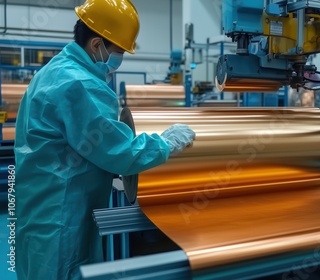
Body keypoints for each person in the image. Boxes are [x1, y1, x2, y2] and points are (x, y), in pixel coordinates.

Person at [14, 0, 195, 279]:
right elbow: (121, 151)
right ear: (97, 44)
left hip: (42, 205)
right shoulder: (79, 84)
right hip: (62, 213)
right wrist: (166, 142)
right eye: (118, 51)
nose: (118, 59)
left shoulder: (55, 71)